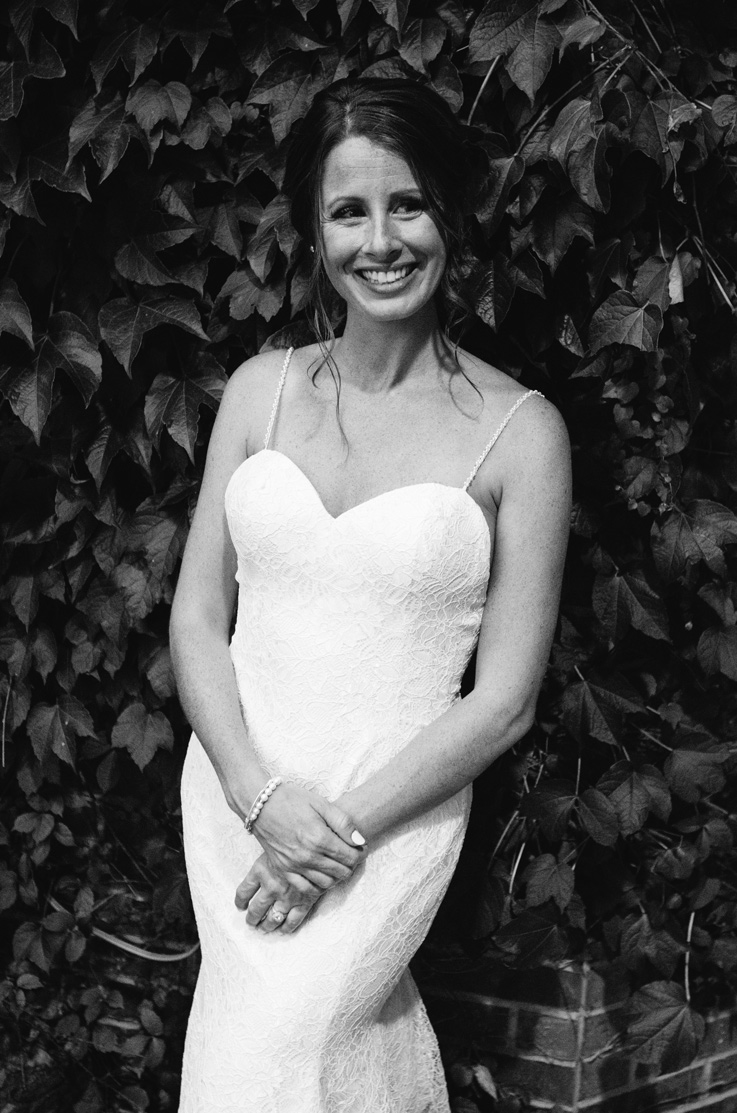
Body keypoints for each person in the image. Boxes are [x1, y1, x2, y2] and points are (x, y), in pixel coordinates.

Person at [170, 77, 571, 1113]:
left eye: (409, 204)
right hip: (236, 804)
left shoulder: (518, 431)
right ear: (312, 231)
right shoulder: (260, 391)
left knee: (292, 1050)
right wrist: (261, 799)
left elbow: (505, 700)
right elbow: (197, 620)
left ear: (448, 213)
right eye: (349, 210)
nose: (382, 240)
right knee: (267, 1063)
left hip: (385, 827)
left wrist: (330, 836)